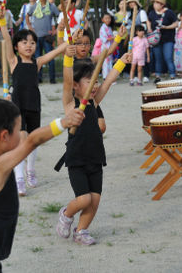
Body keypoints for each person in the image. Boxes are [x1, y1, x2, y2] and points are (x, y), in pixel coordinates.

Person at [0, 98, 84, 272]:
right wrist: (64, 122)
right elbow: (32, 141)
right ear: (4, 136)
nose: (21, 135)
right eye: (19, 130)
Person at [55, 43, 132, 246]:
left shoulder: (94, 103)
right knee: (83, 199)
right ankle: (66, 214)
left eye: (95, 80)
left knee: (95, 200)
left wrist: (121, 62)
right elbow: (66, 82)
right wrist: (68, 59)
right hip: (77, 159)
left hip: (95, 158)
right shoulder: (71, 104)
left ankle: (81, 231)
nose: (95, 85)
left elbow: (107, 83)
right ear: (76, 85)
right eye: (90, 81)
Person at [0, 9, 69, 196]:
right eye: (24, 42)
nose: (29, 46)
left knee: (34, 140)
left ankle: (31, 171)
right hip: (18, 106)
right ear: (16, 47)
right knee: (22, 140)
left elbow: (56, 51)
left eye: (32, 43)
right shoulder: (13, 61)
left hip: (34, 105)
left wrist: (70, 40)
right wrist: (2, 23)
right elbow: (6, 39)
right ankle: (19, 178)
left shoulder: (37, 63)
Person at [26, 0, 60, 83]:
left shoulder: (52, 6)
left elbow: (60, 16)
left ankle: (52, 79)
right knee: (37, 58)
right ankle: (38, 78)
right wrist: (30, 27)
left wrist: (56, 30)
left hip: (47, 37)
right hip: (36, 37)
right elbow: (27, 15)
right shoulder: (35, 6)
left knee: (50, 58)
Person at [147, 0, 177, 83]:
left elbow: (176, 23)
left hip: (168, 39)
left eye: (156, 3)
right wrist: (149, 29)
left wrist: (166, 27)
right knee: (158, 58)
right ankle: (158, 76)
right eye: (154, 3)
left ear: (162, 4)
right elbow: (148, 20)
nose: (154, 5)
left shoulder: (169, 12)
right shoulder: (152, 13)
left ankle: (172, 75)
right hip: (156, 40)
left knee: (168, 57)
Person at [99, 13, 115, 79]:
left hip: (110, 46)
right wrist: (113, 37)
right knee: (106, 62)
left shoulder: (109, 28)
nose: (108, 20)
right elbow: (104, 38)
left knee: (110, 61)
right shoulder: (103, 28)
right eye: (106, 18)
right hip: (105, 47)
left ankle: (110, 77)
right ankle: (105, 77)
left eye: (109, 18)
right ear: (102, 20)